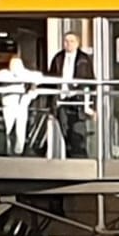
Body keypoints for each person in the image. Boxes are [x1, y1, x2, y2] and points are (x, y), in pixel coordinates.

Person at [46, 30, 96, 159]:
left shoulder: (84, 59)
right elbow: (50, 80)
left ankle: (81, 160)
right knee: (66, 133)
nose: (68, 44)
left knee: (78, 134)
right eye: (66, 41)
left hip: (78, 101)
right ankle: (71, 160)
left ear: (77, 43)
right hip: (62, 101)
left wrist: (92, 107)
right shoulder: (58, 58)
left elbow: (91, 83)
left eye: (72, 41)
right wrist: (50, 106)